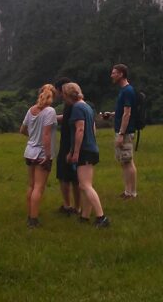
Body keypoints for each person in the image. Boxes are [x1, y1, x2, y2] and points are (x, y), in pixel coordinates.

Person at [63, 82, 109, 228]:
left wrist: (75, 152)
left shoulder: (76, 108)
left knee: (85, 185)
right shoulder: (86, 106)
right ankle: (85, 216)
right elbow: (93, 128)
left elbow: (80, 130)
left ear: (68, 95)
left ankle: (101, 217)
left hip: (84, 151)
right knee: (86, 185)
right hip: (92, 148)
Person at [20, 84, 58, 228]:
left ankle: (30, 214)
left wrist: (33, 138)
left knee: (31, 185)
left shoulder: (31, 110)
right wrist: (48, 156)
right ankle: (33, 220)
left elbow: (22, 129)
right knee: (39, 187)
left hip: (29, 152)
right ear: (52, 96)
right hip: (42, 154)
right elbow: (47, 135)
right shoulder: (50, 111)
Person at [109, 63, 138, 199]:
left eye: (114, 73)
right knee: (124, 162)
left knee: (128, 161)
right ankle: (127, 191)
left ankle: (132, 193)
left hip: (125, 132)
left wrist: (121, 134)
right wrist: (112, 114)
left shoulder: (127, 91)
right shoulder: (124, 90)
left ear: (121, 74)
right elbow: (122, 112)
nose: (112, 75)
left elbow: (127, 113)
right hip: (122, 131)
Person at [53, 77, 81, 215]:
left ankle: (67, 206)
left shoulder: (71, 105)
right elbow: (66, 117)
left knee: (64, 176)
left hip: (68, 145)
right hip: (74, 145)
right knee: (75, 178)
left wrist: (72, 150)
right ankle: (77, 207)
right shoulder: (76, 104)